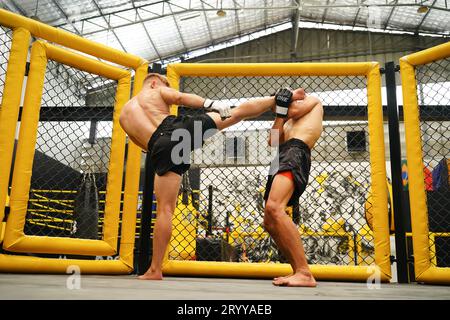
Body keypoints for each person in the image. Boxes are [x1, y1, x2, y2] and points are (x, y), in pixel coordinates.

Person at [119, 73, 304, 280]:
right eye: (165, 83)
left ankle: (154, 270)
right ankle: (280, 98)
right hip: (179, 130)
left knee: (165, 210)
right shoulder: (156, 90)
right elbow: (180, 98)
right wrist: (211, 103)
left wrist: (166, 149)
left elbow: (143, 146)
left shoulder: (124, 116)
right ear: (154, 82)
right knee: (236, 114)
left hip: (159, 146)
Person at [263, 90, 323, 287]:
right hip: (281, 155)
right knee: (269, 221)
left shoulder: (312, 101)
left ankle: (305, 272)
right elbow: (272, 141)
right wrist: (279, 114)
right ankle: (298, 270)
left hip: (296, 151)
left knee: (275, 208)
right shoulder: (285, 119)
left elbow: (295, 110)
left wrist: (283, 102)